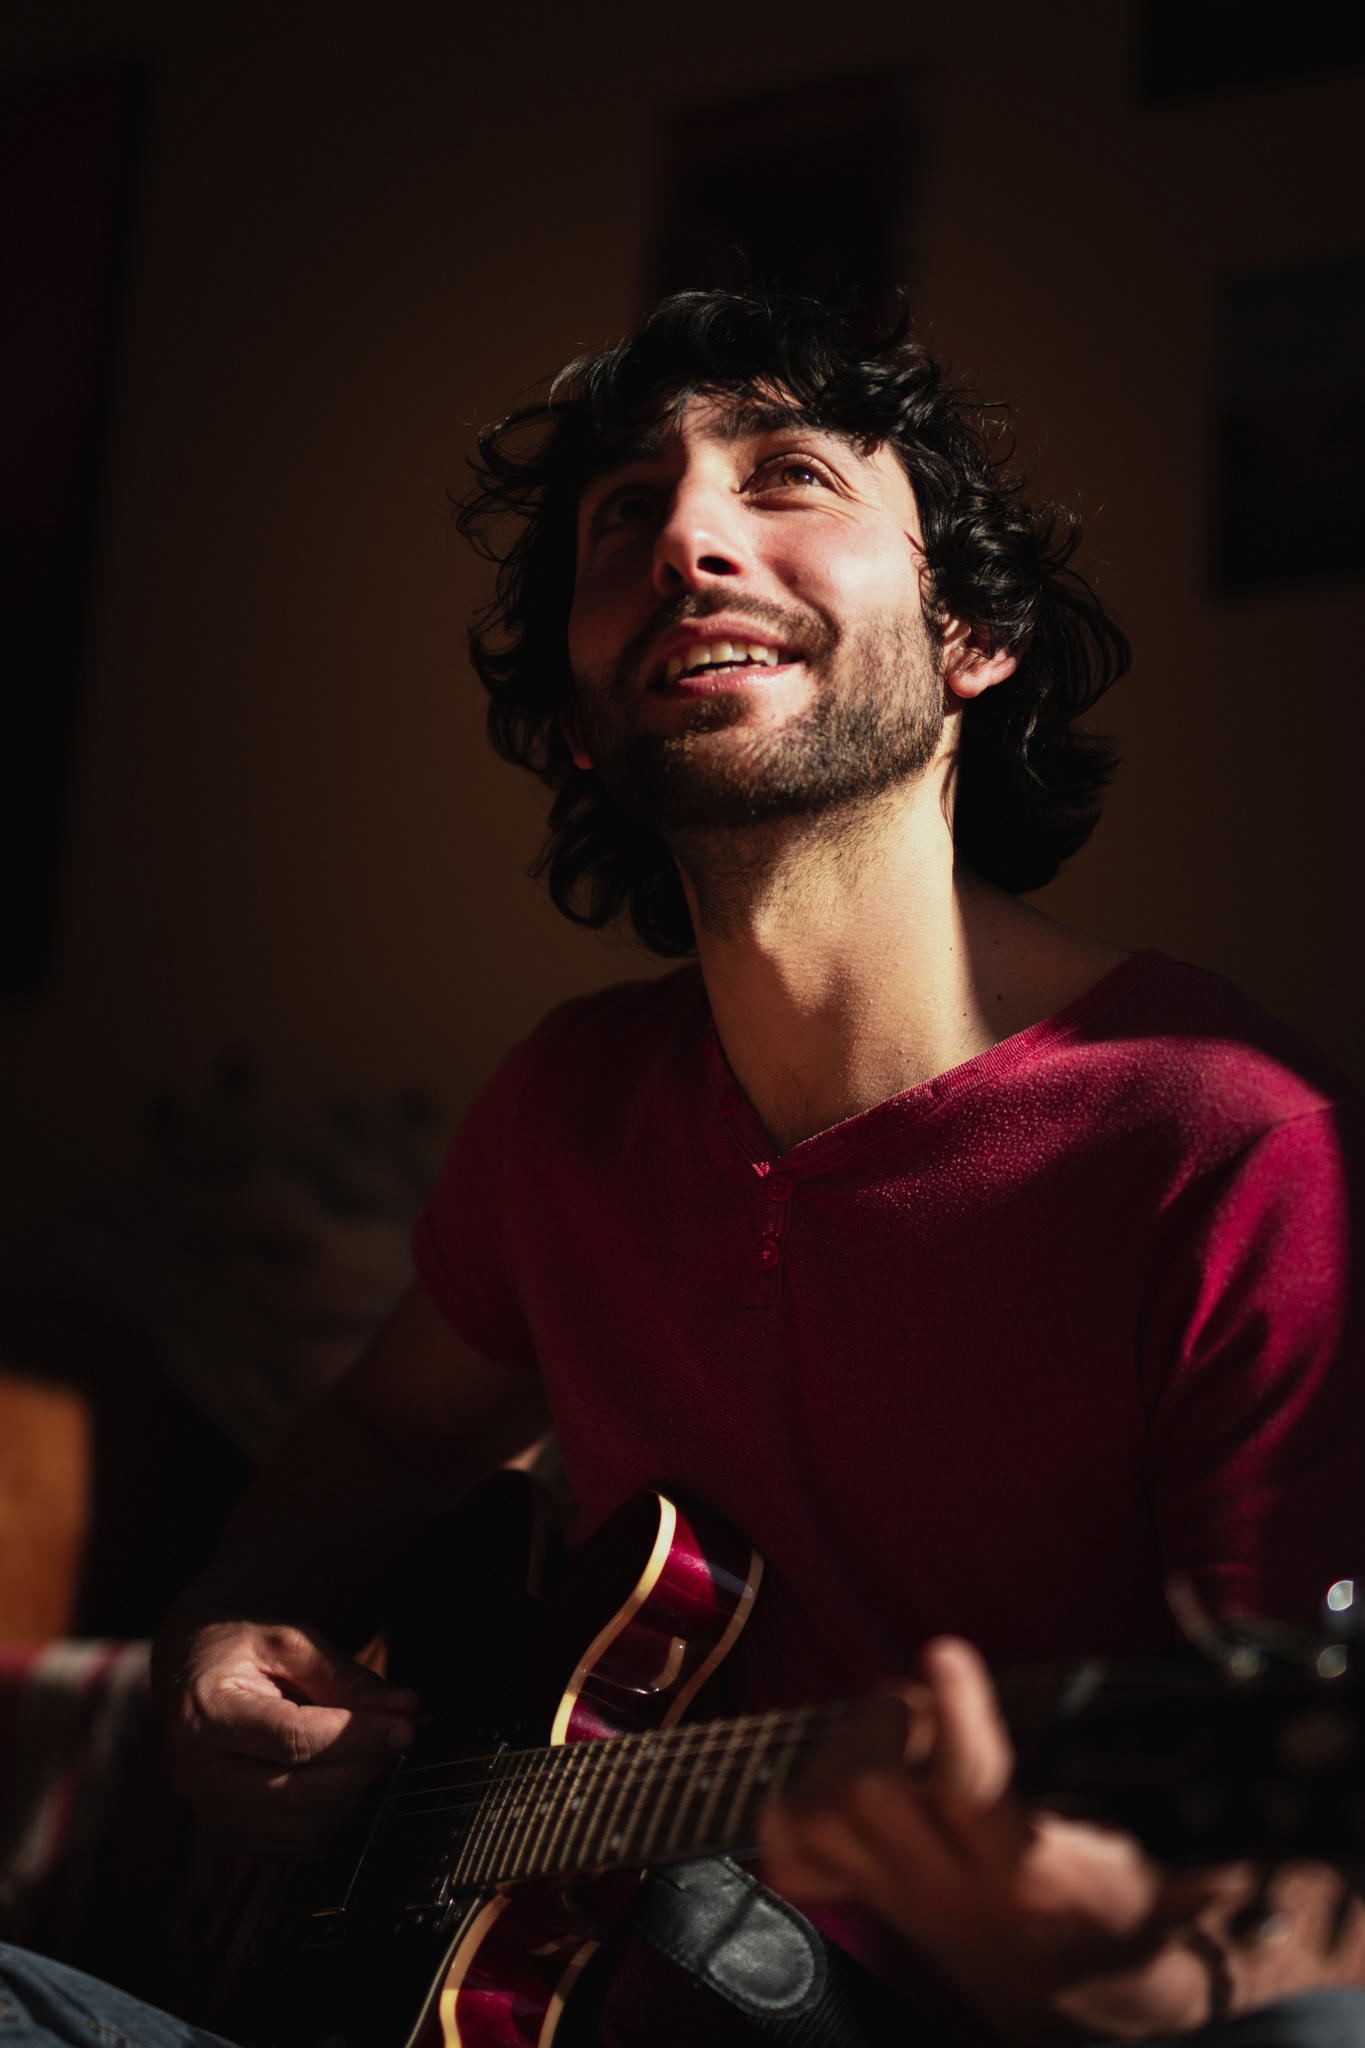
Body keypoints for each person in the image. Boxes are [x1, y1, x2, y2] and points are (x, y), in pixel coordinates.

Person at [7, 290, 1361, 2046]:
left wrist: (1132, 1974)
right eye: (625, 513)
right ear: (583, 720)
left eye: (788, 474)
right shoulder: (566, 1112)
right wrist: (232, 1631)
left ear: (973, 636)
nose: (688, 538)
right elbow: (379, 1443)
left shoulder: (1232, 1153)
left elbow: (1315, 1912)